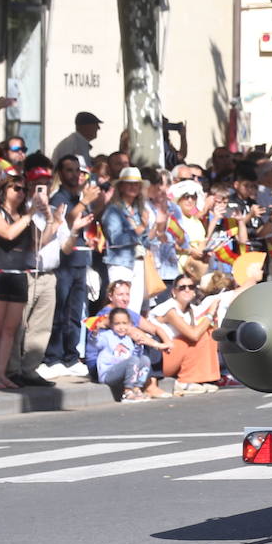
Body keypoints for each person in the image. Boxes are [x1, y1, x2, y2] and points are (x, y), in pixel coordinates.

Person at [6, 164, 70, 388]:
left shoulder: (55, 209)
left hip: (49, 274)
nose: (41, 190)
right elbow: (36, 243)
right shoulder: (24, 211)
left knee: (41, 326)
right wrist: (51, 220)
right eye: (36, 185)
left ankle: (30, 368)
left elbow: (67, 246)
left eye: (45, 185)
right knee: (19, 325)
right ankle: (12, 369)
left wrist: (74, 224)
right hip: (27, 274)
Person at [41, 155, 99, 379]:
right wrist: (84, 203)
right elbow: (62, 221)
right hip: (64, 261)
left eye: (78, 171)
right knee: (60, 310)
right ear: (60, 173)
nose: (75, 175)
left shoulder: (79, 196)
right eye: (70, 170)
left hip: (80, 260)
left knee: (75, 311)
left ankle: (71, 355)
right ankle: (52, 356)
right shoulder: (61, 197)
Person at [0, 175, 40, 387]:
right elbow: (7, 233)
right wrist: (29, 216)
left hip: (17, 274)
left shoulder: (25, 216)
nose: (21, 193)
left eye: (24, 190)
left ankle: (1, 373)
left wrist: (52, 219)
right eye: (17, 188)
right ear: (5, 189)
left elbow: (36, 245)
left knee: (10, 329)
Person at [83, 280, 172, 397]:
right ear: (110, 296)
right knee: (146, 344)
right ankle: (144, 387)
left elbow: (154, 329)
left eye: (127, 294)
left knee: (150, 345)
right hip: (103, 366)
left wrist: (168, 342)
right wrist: (158, 345)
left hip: (121, 358)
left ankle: (141, 386)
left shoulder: (127, 313)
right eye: (120, 295)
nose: (125, 299)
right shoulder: (109, 314)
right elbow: (133, 333)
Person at [147, 270, 220, 395]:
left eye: (191, 287)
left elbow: (212, 333)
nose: (187, 290)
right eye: (182, 287)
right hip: (160, 357)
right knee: (195, 336)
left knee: (208, 332)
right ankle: (186, 380)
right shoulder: (170, 309)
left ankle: (202, 377)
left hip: (174, 354)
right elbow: (194, 335)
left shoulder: (193, 309)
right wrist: (210, 314)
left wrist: (214, 317)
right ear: (174, 292)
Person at [100, 166, 151, 313]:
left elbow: (145, 239)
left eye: (136, 184)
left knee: (135, 306)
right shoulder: (113, 210)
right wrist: (140, 228)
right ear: (120, 186)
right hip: (120, 262)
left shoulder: (139, 209)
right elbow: (116, 239)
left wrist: (148, 230)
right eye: (129, 183)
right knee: (121, 305)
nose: (133, 187)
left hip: (138, 260)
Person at [95, 307, 164, 402]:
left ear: (130, 324)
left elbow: (134, 356)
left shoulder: (128, 339)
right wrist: (94, 334)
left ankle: (137, 388)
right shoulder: (106, 336)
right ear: (111, 324)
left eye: (124, 323)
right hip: (109, 373)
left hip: (126, 372)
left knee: (145, 359)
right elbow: (96, 343)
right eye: (117, 323)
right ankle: (127, 392)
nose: (121, 327)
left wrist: (138, 346)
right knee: (133, 360)